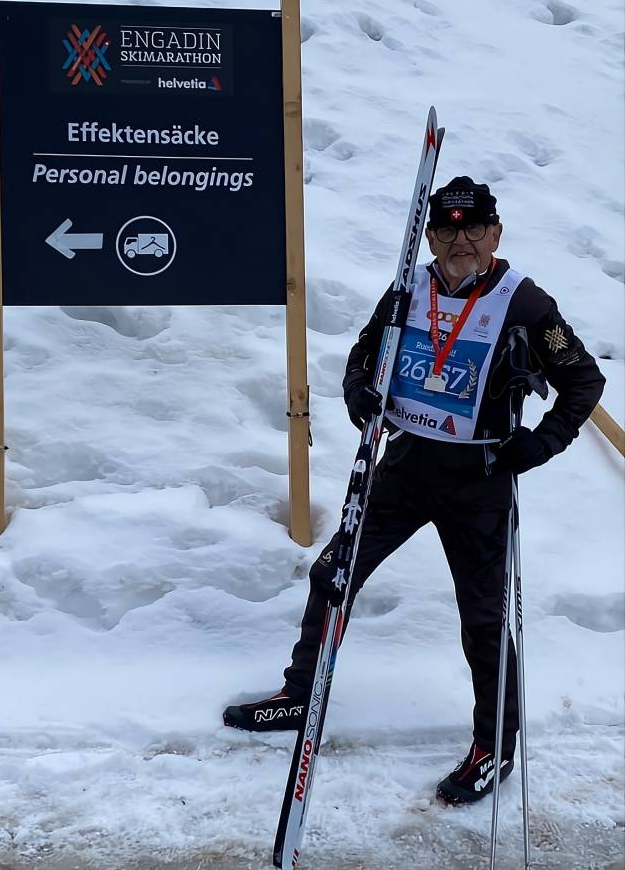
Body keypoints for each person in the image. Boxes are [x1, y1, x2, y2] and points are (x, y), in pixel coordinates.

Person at [223, 177, 605, 805]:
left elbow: (583, 381)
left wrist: (539, 445)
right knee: (333, 575)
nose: (461, 241)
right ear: (430, 236)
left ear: (495, 235)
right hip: (403, 466)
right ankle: (300, 695)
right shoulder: (410, 287)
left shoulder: (525, 303)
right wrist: (358, 394)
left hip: (478, 477)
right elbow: (362, 355)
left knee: (483, 620)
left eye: (474, 228)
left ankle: (494, 747)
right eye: (448, 230)